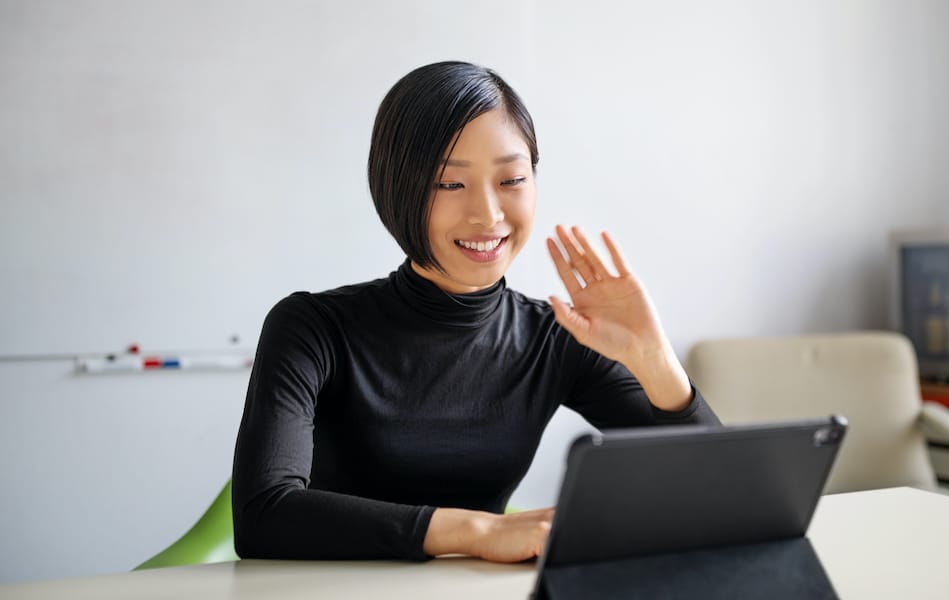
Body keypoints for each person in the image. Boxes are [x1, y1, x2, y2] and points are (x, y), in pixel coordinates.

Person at [231, 61, 720, 564]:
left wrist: (656, 363)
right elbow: (263, 515)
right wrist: (478, 531)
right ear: (396, 186)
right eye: (449, 184)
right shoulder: (312, 328)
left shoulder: (554, 338)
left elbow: (716, 489)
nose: (488, 214)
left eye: (511, 179)